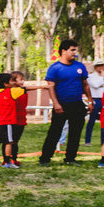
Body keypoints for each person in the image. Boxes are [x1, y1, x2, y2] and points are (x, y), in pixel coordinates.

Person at [38, 38, 91, 166]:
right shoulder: (55, 68)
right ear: (63, 51)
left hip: (77, 104)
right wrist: (56, 104)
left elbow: (85, 85)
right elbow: (51, 87)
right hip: (61, 104)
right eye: (72, 50)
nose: (75, 53)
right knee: (54, 132)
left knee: (75, 133)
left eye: (75, 50)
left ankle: (70, 158)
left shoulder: (80, 66)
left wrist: (90, 100)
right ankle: (45, 158)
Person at [7, 71, 44, 168]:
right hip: (12, 119)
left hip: (21, 118)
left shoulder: (21, 90)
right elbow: (26, 88)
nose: (23, 81)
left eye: (24, 79)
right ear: (13, 81)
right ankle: (8, 159)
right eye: (21, 79)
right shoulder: (13, 91)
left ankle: (14, 159)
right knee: (11, 141)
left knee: (16, 141)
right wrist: (41, 86)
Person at [84, 60, 104, 145]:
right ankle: (87, 141)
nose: (100, 68)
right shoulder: (91, 77)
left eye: (102, 66)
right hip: (95, 99)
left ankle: (103, 141)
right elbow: (95, 85)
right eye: (98, 66)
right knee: (92, 121)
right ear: (95, 67)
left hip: (103, 99)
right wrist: (103, 79)